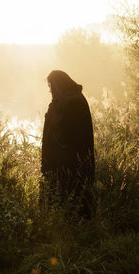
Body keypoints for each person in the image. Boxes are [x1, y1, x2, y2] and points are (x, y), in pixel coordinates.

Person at [40, 70, 95, 218]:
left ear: (58, 85)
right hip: (68, 159)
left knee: (72, 191)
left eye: (51, 85)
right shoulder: (70, 99)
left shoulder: (74, 101)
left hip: (70, 160)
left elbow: (65, 132)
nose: (49, 90)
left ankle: (72, 224)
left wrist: (52, 113)